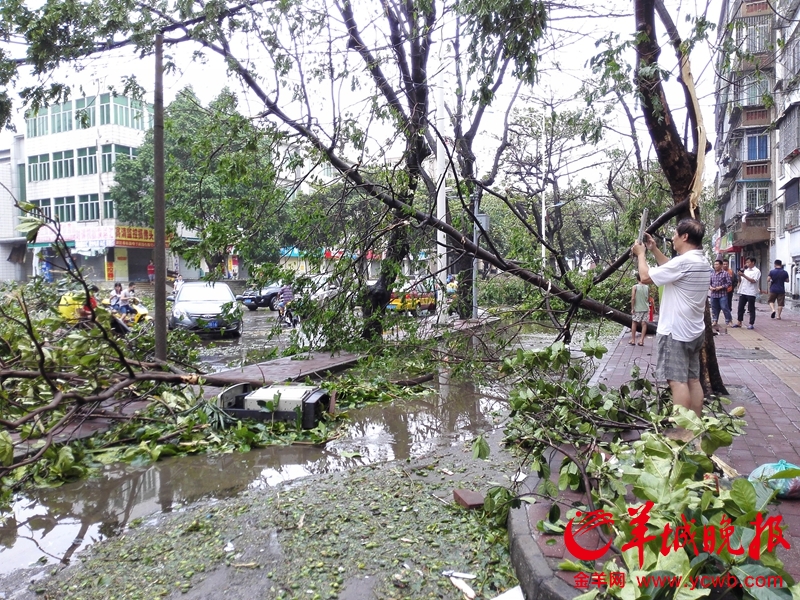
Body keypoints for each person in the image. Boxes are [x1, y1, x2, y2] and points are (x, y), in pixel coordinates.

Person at [632, 219, 711, 419]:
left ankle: (682, 432)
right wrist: (653, 250)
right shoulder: (701, 261)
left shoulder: (684, 262)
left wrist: (641, 254)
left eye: (675, 234)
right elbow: (671, 268)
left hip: (675, 332)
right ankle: (695, 429)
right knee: (693, 380)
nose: (673, 238)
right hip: (693, 331)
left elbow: (645, 277)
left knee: (677, 381)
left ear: (685, 236)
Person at [732, 257, 761, 330]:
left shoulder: (757, 271)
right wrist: (740, 275)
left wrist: (744, 275)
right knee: (740, 307)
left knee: (751, 308)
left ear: (753, 262)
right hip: (743, 291)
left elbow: (754, 281)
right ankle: (739, 322)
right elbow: (742, 280)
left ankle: (751, 323)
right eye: (746, 262)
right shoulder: (746, 270)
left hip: (751, 292)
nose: (747, 264)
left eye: (748, 262)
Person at [709, 259, 733, 327]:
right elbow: (709, 283)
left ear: (721, 265)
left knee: (724, 307)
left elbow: (729, 283)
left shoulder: (725, 273)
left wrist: (721, 287)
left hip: (722, 294)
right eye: (715, 264)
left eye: (717, 264)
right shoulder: (712, 273)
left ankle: (729, 320)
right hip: (714, 294)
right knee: (714, 308)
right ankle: (714, 320)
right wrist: (710, 287)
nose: (715, 266)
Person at [630, 273, 650, 346]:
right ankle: (641, 340)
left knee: (634, 323)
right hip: (645, 308)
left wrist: (632, 308)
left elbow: (633, 298)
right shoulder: (647, 287)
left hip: (637, 308)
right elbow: (648, 298)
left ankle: (633, 340)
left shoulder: (635, 287)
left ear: (637, 279)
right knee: (644, 324)